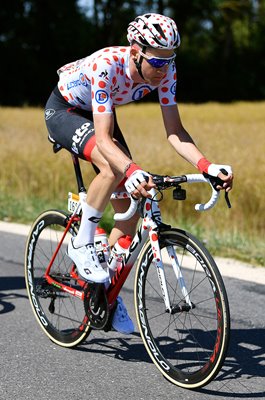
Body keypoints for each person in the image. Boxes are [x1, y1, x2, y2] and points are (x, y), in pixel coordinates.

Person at [44, 13, 233, 334]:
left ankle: (103, 296)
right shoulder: (108, 65)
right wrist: (130, 169)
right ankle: (82, 241)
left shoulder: (166, 70)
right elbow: (103, 140)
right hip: (67, 110)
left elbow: (174, 131)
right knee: (111, 166)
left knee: (128, 216)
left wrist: (207, 166)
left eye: (169, 62)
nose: (164, 71)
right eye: (157, 64)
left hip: (101, 115)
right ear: (135, 51)